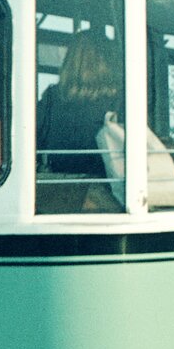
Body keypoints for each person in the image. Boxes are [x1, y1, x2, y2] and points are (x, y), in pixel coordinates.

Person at [36, 30, 124, 213]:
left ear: (70, 62)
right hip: (106, 197)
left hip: (60, 196)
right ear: (107, 61)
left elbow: (34, 141)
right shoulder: (118, 100)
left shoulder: (51, 98)